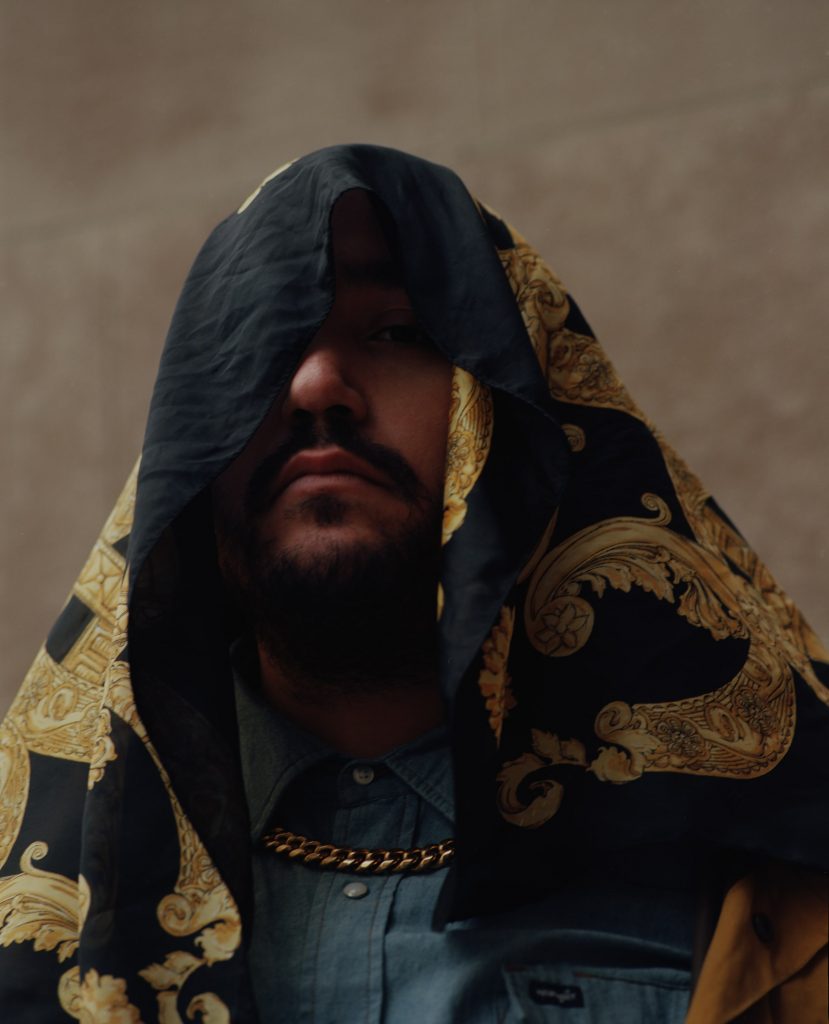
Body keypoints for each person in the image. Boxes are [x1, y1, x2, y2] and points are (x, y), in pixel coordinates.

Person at [0, 145, 826, 1023]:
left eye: (398, 332)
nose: (317, 385)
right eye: (263, 341)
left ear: (508, 418)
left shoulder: (759, 886)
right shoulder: (53, 891)